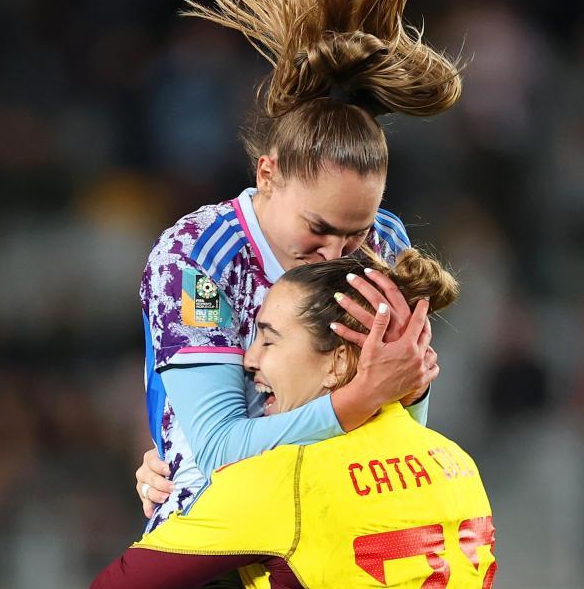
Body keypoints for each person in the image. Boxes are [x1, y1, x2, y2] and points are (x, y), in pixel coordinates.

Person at [136, 0, 464, 530]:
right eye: (318, 228)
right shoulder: (197, 259)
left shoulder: (385, 242)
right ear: (268, 175)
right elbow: (219, 450)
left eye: (353, 233)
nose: (335, 255)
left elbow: (403, 420)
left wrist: (412, 389)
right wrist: (360, 399)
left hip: (342, 513)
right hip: (224, 530)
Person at [98, 249, 495, 588]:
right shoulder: (457, 462)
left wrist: (196, 495)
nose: (249, 360)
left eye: (269, 339)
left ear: (338, 362)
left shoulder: (281, 481)